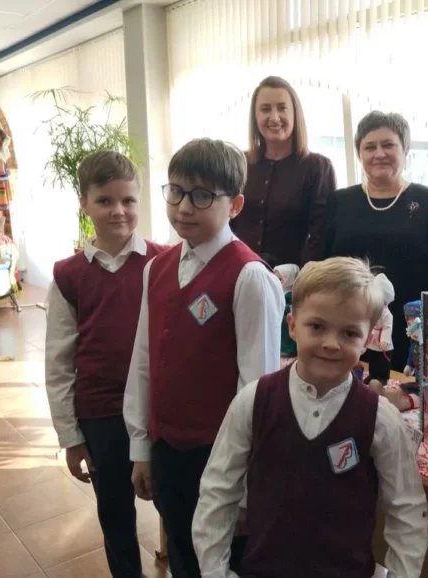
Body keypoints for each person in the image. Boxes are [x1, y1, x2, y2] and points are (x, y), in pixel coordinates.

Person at [192, 257, 428, 578]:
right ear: (292, 325)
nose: (331, 344)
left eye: (349, 333)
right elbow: (218, 492)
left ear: (367, 340)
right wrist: (214, 572)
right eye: (317, 326)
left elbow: (408, 511)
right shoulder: (253, 401)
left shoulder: (381, 419)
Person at [123, 138, 284, 578]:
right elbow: (144, 360)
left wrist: (244, 484)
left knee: (221, 561)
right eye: (176, 191)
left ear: (235, 205)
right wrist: (141, 447)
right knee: (181, 551)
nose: (183, 207)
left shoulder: (250, 276)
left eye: (202, 196)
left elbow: (257, 390)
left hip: (219, 459)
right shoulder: (156, 268)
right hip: (166, 448)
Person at [45, 150, 166, 578]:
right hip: (100, 414)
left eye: (128, 200)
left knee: (175, 503)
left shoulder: (164, 262)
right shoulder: (68, 276)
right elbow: (58, 361)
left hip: (158, 410)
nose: (118, 211)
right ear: (84, 203)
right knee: (115, 514)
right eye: (105, 200)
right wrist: (70, 436)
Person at [324, 111, 428, 371]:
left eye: (388, 145)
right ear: (359, 153)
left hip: (413, 332)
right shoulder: (340, 202)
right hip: (349, 328)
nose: (379, 153)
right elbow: (326, 268)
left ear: (405, 150)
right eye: (369, 147)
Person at [230, 76, 337, 266]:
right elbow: (225, 222)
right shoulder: (238, 162)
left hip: (295, 279)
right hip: (239, 272)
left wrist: (298, 274)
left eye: (282, 108)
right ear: (255, 117)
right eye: (265, 109)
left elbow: (321, 235)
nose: (274, 117)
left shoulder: (318, 168)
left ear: (295, 114)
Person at [362, 272, 394, 384]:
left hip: (382, 341)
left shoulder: (386, 314)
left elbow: (387, 327)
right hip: (373, 339)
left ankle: (383, 378)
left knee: (382, 361)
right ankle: (372, 375)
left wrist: (384, 340)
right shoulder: (372, 310)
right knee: (373, 359)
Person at [273, 263, 300, 359]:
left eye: (280, 279)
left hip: (288, 338)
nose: (276, 282)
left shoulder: (291, 296)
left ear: (290, 279)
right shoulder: (278, 293)